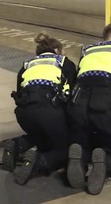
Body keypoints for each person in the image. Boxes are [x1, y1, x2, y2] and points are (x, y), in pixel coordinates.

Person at [66, 23, 111, 195]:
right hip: (104, 104)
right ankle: (106, 161)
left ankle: (81, 158)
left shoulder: (87, 50)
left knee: (85, 140)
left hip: (78, 106)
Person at [2, 32, 77, 185]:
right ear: (56, 50)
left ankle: (17, 145)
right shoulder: (64, 63)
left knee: (41, 135)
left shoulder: (26, 65)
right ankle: (38, 162)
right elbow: (73, 95)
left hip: (24, 113)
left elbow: (20, 92)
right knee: (63, 149)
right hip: (49, 110)